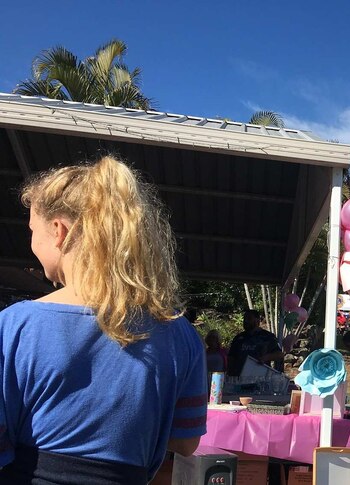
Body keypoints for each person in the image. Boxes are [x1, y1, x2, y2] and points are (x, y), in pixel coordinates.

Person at [0, 156, 206, 484]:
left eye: (32, 231)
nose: (31, 244)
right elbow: (184, 441)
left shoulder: (14, 327)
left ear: (58, 232)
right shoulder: (181, 334)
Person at [227, 310, 283, 376]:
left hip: (259, 378)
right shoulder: (239, 338)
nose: (246, 321)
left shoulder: (268, 336)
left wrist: (265, 357)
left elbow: (279, 354)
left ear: (257, 320)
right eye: (244, 319)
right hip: (239, 378)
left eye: (249, 318)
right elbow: (231, 358)